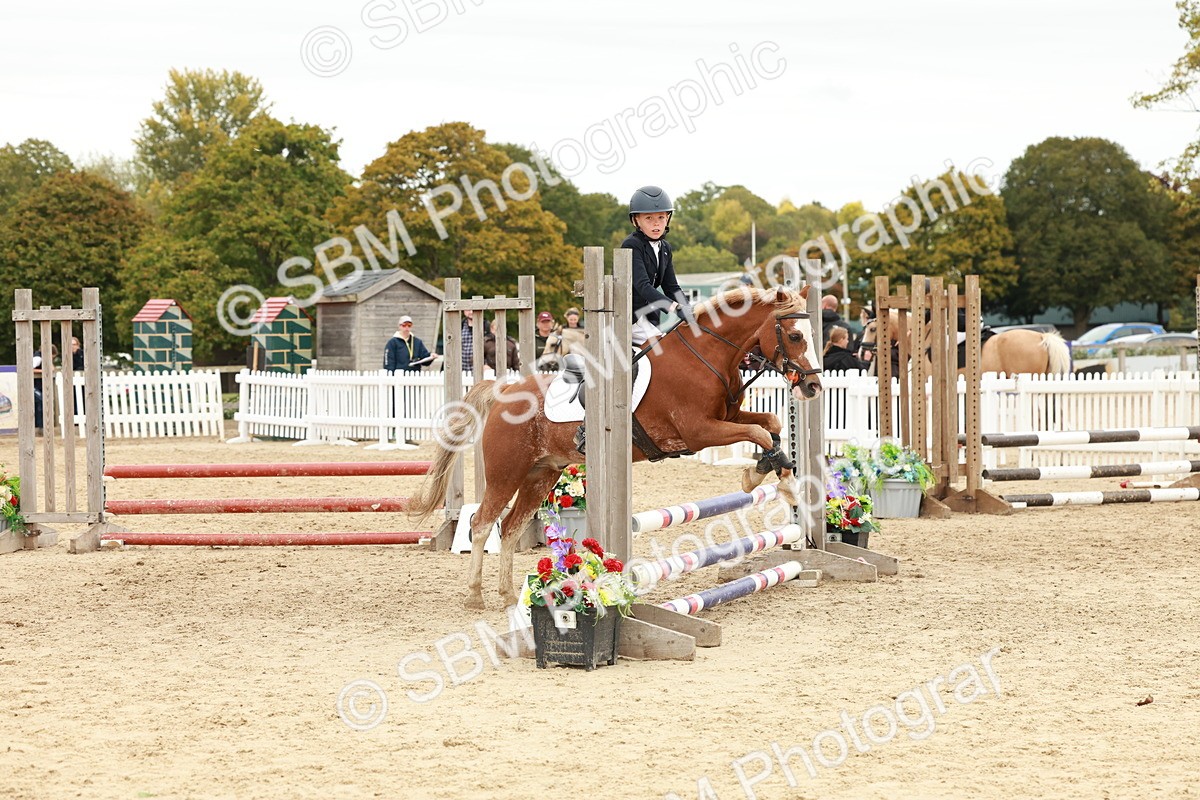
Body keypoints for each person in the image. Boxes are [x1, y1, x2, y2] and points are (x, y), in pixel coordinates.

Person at [625, 185, 687, 346]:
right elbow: (643, 286)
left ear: (668, 218)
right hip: (627, 318)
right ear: (636, 220)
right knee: (666, 350)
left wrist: (688, 309)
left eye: (661, 217)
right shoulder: (632, 245)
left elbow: (672, 287)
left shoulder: (664, 248)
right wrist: (675, 308)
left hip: (650, 318)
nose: (656, 224)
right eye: (649, 218)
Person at [32, 344, 58, 433]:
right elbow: (29, 369)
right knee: (41, 401)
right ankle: (40, 426)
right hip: (33, 385)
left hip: (37, 385)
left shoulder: (42, 358)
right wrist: (43, 371)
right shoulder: (38, 358)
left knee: (42, 402)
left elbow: (52, 368)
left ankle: (42, 426)